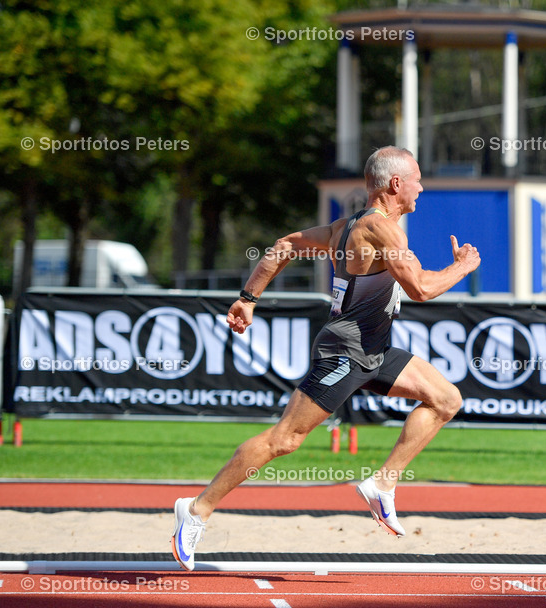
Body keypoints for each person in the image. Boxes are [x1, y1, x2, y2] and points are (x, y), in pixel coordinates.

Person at [172, 146, 481, 571]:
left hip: (373, 349)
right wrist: (463, 266)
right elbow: (421, 289)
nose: (421, 188)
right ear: (395, 184)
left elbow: (283, 246)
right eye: (417, 180)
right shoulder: (380, 230)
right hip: (344, 352)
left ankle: (382, 483)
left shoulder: (344, 226)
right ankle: (196, 509)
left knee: (445, 399)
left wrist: (247, 299)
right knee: (284, 440)